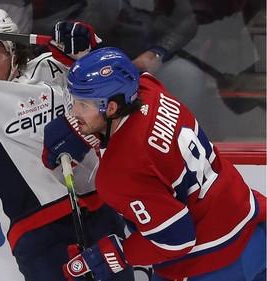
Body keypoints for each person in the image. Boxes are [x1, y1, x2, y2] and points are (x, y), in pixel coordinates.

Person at [0, 6, 135, 281]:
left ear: (14, 52)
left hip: (98, 211)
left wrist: (85, 49)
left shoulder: (51, 68)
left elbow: (112, 90)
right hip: (38, 233)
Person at [42, 47, 266, 281]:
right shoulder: (150, 90)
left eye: (83, 105)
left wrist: (117, 253)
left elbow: (175, 239)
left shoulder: (119, 174)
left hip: (213, 261)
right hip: (252, 226)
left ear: (111, 108)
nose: (74, 112)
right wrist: (80, 130)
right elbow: (129, 75)